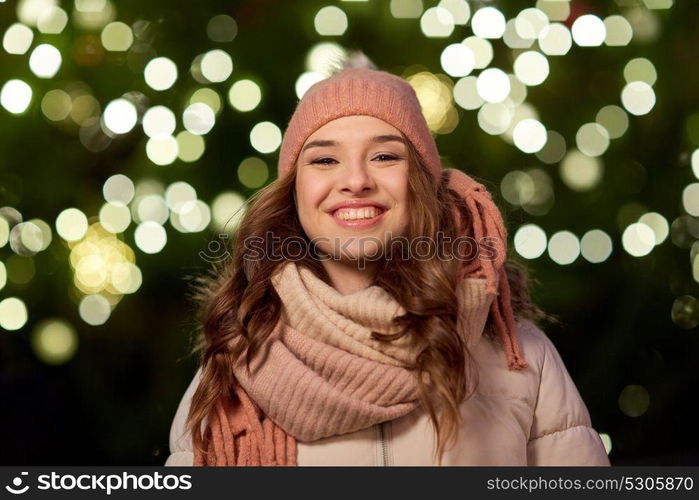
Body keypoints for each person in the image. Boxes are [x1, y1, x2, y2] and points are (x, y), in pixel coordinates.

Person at [164, 54, 611, 466]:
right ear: (293, 192)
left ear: (422, 183)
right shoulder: (235, 362)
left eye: (384, 156)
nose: (356, 180)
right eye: (324, 159)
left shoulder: (520, 358)